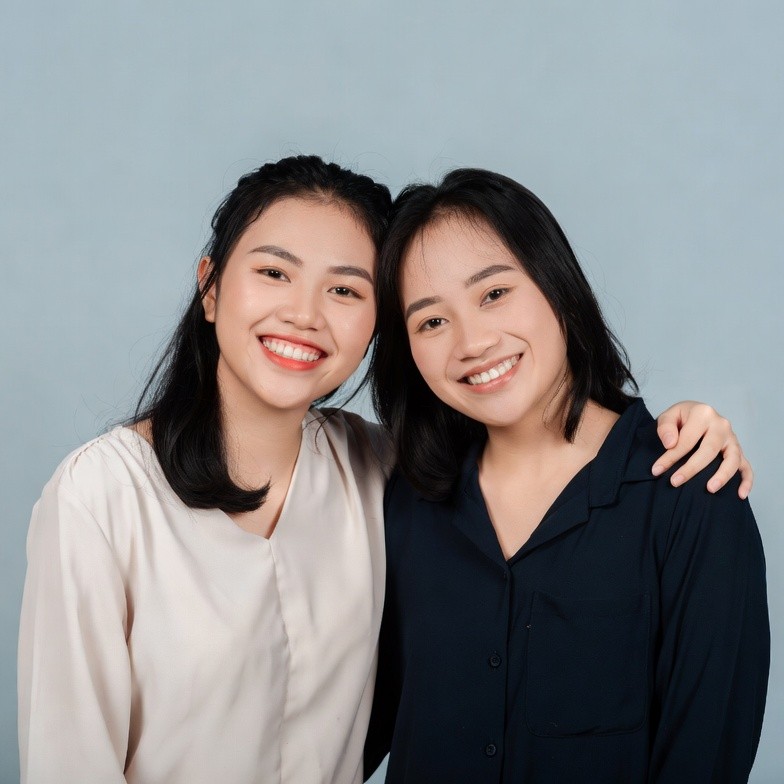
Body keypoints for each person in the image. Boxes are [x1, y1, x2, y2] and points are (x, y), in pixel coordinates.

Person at [18, 155, 752, 784]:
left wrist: (679, 422)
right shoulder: (106, 497)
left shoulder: (382, 471)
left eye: (344, 289)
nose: (305, 315)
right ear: (210, 287)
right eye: (273, 272)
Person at [366, 169, 769, 783]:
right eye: (431, 322)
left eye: (494, 293)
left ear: (556, 285)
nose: (472, 341)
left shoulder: (689, 495)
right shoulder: (406, 503)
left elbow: (706, 755)